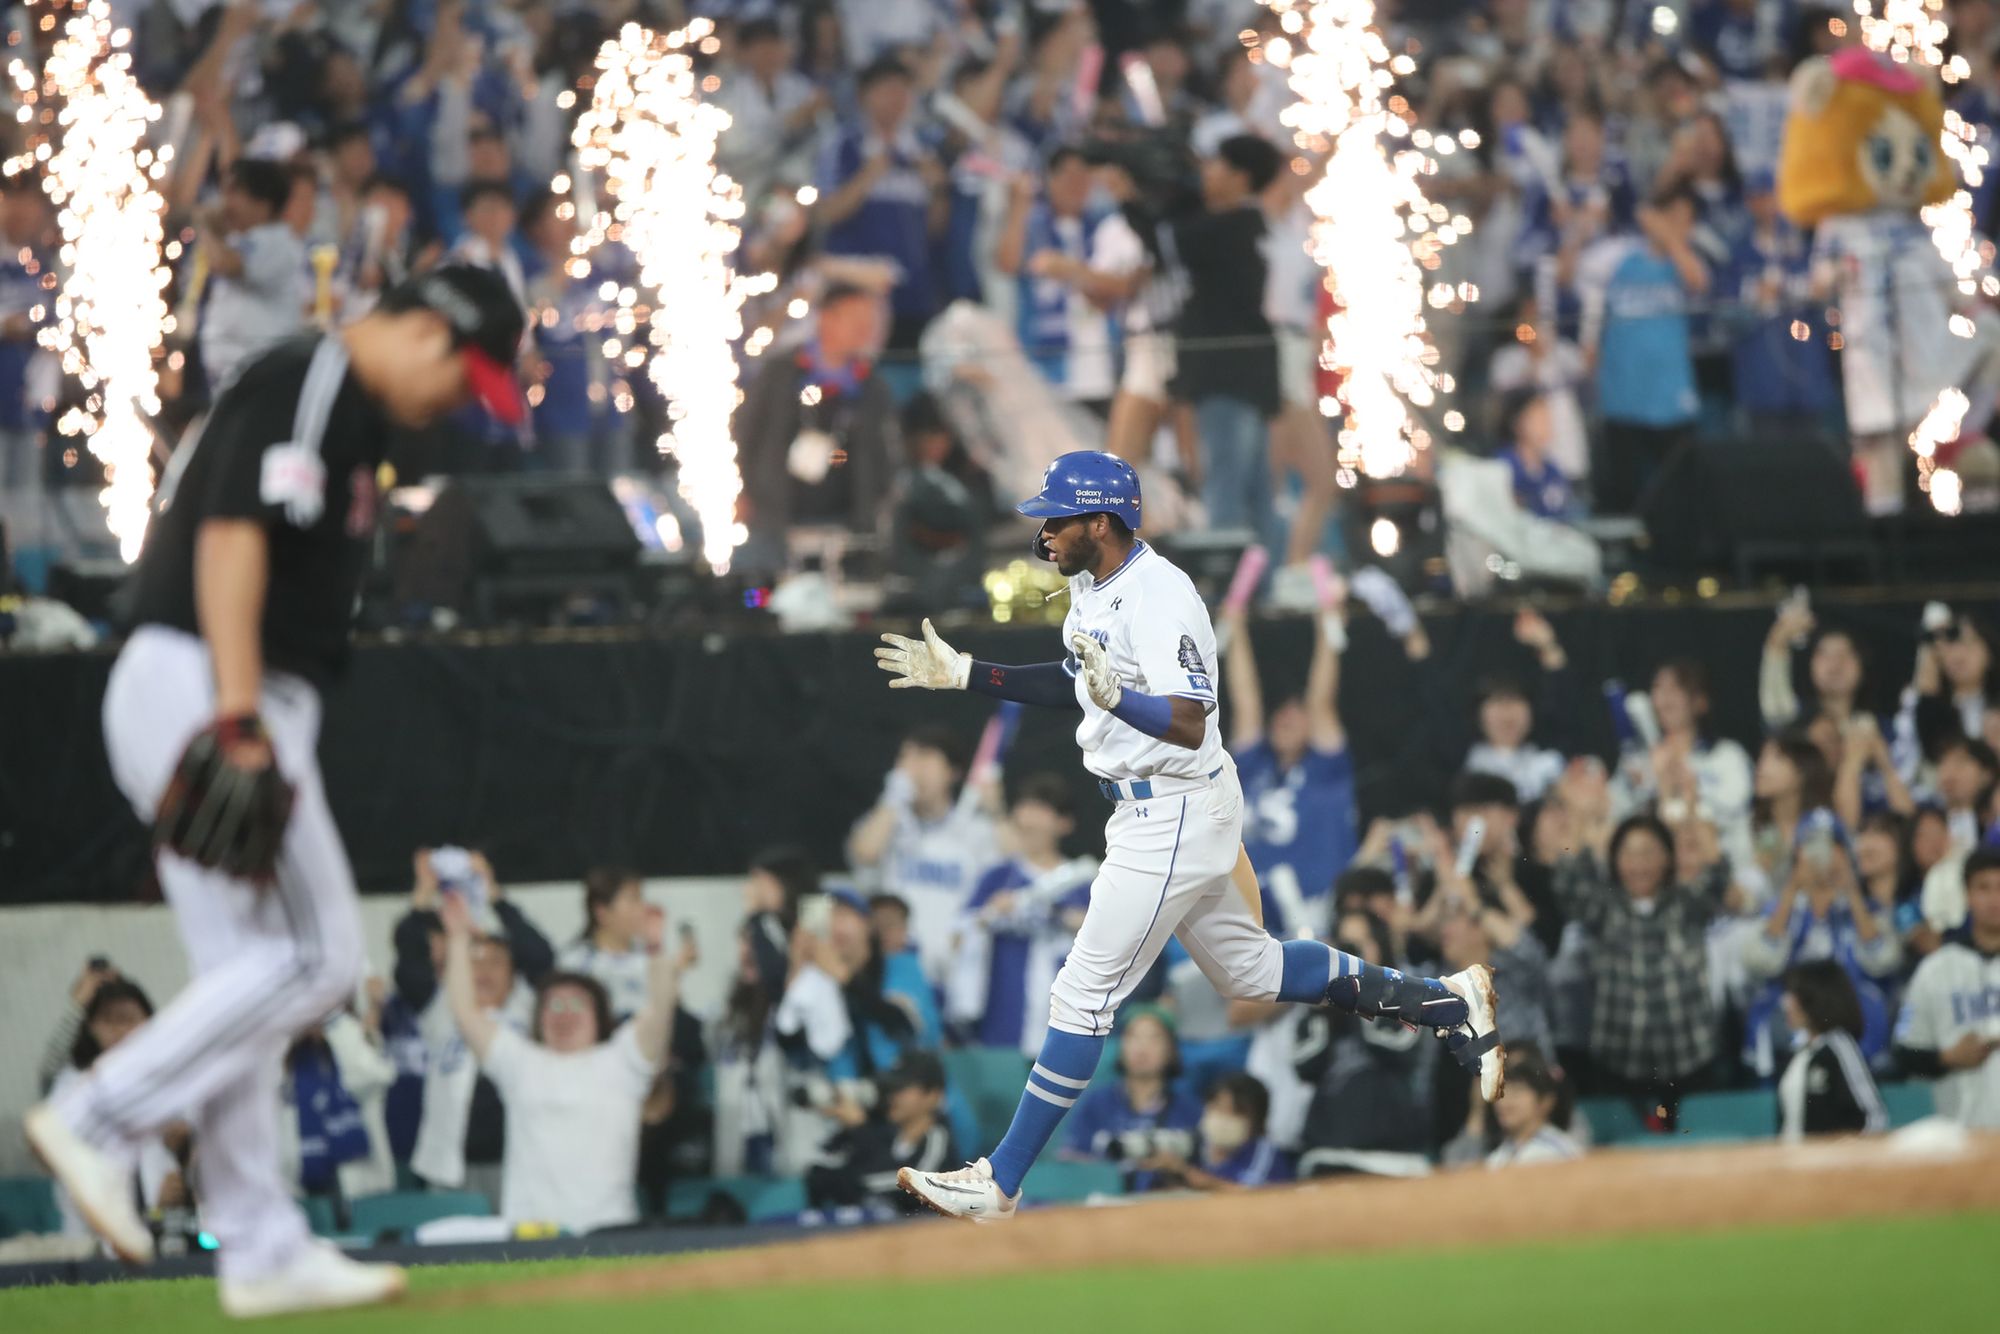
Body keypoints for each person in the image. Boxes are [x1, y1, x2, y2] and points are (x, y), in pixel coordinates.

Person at [24, 265, 524, 1317]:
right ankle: (98, 1114)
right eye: (463, 377)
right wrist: (240, 714)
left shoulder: (344, 403)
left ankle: (259, 1246)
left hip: (206, 680)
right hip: (213, 679)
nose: (456, 404)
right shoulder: (317, 377)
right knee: (316, 956)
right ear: (429, 333)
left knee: (241, 982)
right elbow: (232, 534)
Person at [876, 451, 1499, 1220]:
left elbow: (1187, 719)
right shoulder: (1090, 585)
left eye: (1058, 518)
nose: (1044, 533)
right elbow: (1078, 683)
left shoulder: (1161, 594)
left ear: (1100, 521)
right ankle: (1445, 1001)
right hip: (1157, 807)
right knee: (1252, 969)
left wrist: (1118, 697)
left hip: (1172, 805)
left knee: (1082, 995)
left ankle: (999, 1182)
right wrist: (972, 671)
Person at [440, 890, 678, 1233]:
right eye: (554, 1005)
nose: (564, 1015)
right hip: (531, 1237)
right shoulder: (519, 1062)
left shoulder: (623, 1060)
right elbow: (465, 1011)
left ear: (599, 1017)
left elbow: (661, 1009)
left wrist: (655, 948)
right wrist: (458, 938)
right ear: (539, 1017)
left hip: (610, 1234)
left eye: (577, 1005)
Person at [1555, 772, 1731, 1129]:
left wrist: (1693, 807)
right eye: (1629, 854)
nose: (1639, 864)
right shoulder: (1604, 908)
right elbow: (1569, 879)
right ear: (1614, 860)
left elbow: (1716, 871)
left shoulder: (1687, 903)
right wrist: (1580, 817)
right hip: (1620, 1065)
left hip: (1691, 1059)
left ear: (1668, 858)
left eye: (1649, 852)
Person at [733, 283, 898, 577]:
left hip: (846, 521)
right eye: (855, 318)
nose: (864, 328)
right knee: (759, 590)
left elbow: (885, 455)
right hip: (774, 514)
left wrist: (878, 503)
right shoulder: (780, 372)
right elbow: (746, 433)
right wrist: (742, 490)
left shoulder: (872, 386)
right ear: (825, 317)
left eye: (869, 320)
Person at [1172, 135, 1287, 556]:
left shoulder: (1228, 229)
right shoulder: (1251, 227)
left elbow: (1180, 240)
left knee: (1226, 489)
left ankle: (1229, 583)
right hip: (1250, 376)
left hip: (1226, 377)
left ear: (1240, 176)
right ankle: (1262, 584)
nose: (1206, 172)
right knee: (1256, 492)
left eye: (1216, 163)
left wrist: (1163, 199)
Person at [1223, 593, 1356, 934]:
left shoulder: (1326, 770)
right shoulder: (1254, 767)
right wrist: (1235, 627)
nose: (1286, 717)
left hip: (1316, 917)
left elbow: (1321, 701)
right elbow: (1246, 702)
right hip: (1250, 915)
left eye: (1298, 712)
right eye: (1281, 712)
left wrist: (1327, 627)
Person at [1576, 185, 1707, 513]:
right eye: (1672, 218)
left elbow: (1699, 282)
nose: (1678, 226)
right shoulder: (1619, 257)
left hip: (1671, 399)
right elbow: (1574, 280)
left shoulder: (1686, 262)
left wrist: (1671, 239)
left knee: (1679, 496)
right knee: (1622, 494)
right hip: (1623, 396)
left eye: (1685, 221)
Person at [950, 775, 1096, 1055]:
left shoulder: (1082, 881)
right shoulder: (998, 876)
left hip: (1066, 1024)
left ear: (1064, 823)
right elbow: (956, 939)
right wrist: (987, 915)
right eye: (1025, 807)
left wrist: (1066, 918)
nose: (1029, 819)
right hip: (1001, 1025)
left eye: (1041, 810)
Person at [846, 726, 1000, 980]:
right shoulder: (887, 822)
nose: (914, 769)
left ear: (953, 771)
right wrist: (892, 799)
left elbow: (1012, 874)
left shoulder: (976, 831)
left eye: (925, 758)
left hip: (955, 976)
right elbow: (865, 852)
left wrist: (996, 811)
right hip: (892, 970)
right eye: (906, 758)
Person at [813, 56, 945, 348]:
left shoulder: (921, 150)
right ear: (864, 95)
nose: (896, 99)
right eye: (887, 90)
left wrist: (938, 191)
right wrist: (868, 175)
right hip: (856, 295)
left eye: (903, 90)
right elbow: (825, 214)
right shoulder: (843, 145)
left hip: (914, 295)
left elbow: (935, 229)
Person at [1894, 848, 2000, 1129]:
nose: (1994, 898)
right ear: (1967, 895)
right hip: (1959, 1130)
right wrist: (1947, 1057)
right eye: (1984, 888)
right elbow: (1903, 1051)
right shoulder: (1935, 968)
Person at [195, 158, 311, 394]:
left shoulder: (277, 242)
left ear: (263, 204)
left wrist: (205, 225)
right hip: (234, 372)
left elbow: (223, 263)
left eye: (235, 192)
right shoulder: (245, 238)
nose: (226, 203)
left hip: (260, 374)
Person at [1058, 1008, 1202, 1194]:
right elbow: (1069, 1162)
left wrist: (1177, 1168)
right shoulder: (1096, 1104)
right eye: (1133, 1037)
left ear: (1171, 1050)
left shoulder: (1188, 1110)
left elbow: (1206, 1173)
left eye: (1154, 1038)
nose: (1142, 1048)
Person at [805, 1050, 958, 1216]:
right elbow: (822, 1171)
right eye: (891, 1088)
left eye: (902, 1089)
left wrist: (860, 1129)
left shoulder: (937, 1140)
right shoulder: (883, 1132)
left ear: (933, 1095)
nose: (893, 1096)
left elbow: (916, 1186)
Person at [1776, 960, 1887, 1141]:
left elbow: (1873, 1119)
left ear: (1816, 998)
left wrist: (1837, 1152)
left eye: (1793, 995)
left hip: (1826, 1159)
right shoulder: (1798, 1052)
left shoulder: (1839, 1047)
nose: (1785, 1003)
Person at [558, 867, 657, 1021]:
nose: (643, 908)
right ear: (602, 911)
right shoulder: (575, 963)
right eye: (633, 900)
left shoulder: (651, 960)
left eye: (641, 899)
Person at [1177, 1073, 1293, 1189]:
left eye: (1236, 1112)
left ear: (1257, 1120)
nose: (1223, 1119)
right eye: (1218, 1107)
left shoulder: (1265, 1154)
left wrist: (1208, 1182)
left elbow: (1257, 1194)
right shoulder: (1195, 1142)